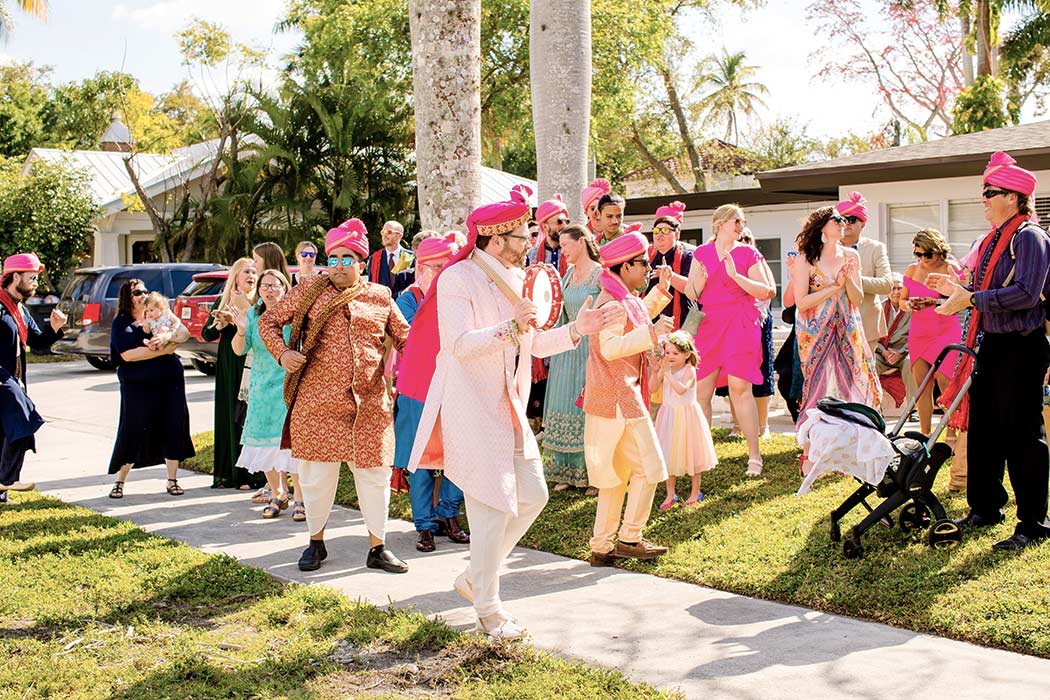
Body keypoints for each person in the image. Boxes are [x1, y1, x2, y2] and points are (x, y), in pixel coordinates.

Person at [401, 185, 620, 640]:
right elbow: (459, 345)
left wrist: (577, 329)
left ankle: (474, 578)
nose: (531, 243)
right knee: (490, 507)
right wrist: (510, 326)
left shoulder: (515, 278)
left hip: (508, 406)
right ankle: (490, 611)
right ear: (496, 239)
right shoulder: (458, 279)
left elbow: (533, 341)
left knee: (533, 495)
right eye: (524, 236)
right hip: (469, 405)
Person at [259, 218, 411, 572]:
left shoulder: (380, 296)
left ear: (361, 261)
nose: (340, 265)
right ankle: (316, 543)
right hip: (317, 404)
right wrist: (282, 353)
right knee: (316, 477)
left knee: (374, 476)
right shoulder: (309, 290)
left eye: (348, 258)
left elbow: (407, 340)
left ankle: (378, 547)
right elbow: (267, 322)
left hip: (370, 405)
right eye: (335, 258)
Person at [930, 150, 1050, 551]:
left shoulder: (1029, 236)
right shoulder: (993, 239)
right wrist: (954, 293)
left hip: (1022, 346)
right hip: (993, 343)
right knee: (982, 429)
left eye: (990, 191)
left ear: (1014, 197)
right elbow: (976, 291)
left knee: (1022, 435)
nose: (982, 198)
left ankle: (1033, 523)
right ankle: (986, 507)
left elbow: (1027, 293)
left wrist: (972, 300)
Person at [584, 227, 673, 567]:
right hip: (622, 399)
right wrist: (652, 334)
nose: (647, 269)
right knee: (650, 470)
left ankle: (603, 546)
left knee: (615, 477)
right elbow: (610, 348)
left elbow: (634, 313)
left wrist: (660, 293)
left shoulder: (619, 298)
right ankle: (630, 538)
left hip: (613, 399)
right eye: (642, 263)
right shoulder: (613, 303)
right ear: (624, 267)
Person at [392, 233, 470, 552]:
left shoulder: (460, 297)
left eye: (448, 266)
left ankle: (448, 515)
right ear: (422, 267)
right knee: (420, 459)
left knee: (461, 455)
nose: (443, 273)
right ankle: (424, 525)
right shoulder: (408, 299)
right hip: (418, 390)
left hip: (456, 387)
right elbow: (416, 339)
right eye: (437, 267)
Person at [684, 205, 775, 476]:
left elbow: (768, 290)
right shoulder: (701, 253)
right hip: (710, 325)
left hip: (740, 323)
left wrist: (737, 276)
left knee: (739, 388)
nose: (741, 226)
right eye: (736, 221)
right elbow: (692, 293)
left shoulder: (748, 253)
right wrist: (698, 281)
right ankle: (704, 454)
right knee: (702, 393)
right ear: (720, 223)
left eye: (743, 222)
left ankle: (754, 455)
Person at [791, 207, 881, 432]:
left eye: (845, 219)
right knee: (819, 382)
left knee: (850, 380)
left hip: (848, 326)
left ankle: (851, 433)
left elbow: (857, 298)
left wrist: (848, 279)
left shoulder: (851, 255)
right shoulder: (806, 258)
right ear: (822, 226)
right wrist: (834, 288)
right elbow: (801, 302)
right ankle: (814, 439)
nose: (843, 223)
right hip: (815, 330)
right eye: (837, 219)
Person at [107, 278, 195, 498]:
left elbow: (183, 334)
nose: (143, 296)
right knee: (132, 428)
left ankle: (172, 480)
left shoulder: (160, 314)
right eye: (137, 293)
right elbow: (128, 355)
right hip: (137, 386)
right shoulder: (123, 323)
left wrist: (167, 337)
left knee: (172, 425)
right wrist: (163, 350)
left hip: (169, 381)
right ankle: (120, 481)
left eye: (145, 291)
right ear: (127, 298)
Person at [231, 269, 302, 520]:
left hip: (288, 383)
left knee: (291, 443)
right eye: (265, 286)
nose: (270, 290)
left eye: (275, 285)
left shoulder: (294, 316)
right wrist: (240, 330)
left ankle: (301, 499)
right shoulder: (251, 315)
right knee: (265, 442)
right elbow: (239, 351)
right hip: (261, 386)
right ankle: (277, 493)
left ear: (285, 289)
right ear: (259, 292)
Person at [543, 224, 603, 495]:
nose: (562, 250)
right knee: (564, 405)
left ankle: (591, 474)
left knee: (585, 408)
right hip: (566, 349)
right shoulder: (566, 275)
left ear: (581, 243)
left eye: (566, 245)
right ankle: (565, 471)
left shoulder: (600, 275)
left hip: (590, 349)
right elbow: (561, 315)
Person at [0, 253, 64, 497]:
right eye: (32, 277)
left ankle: (2, 490)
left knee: (6, 432)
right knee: (25, 419)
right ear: (15, 276)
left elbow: (38, 342)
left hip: (15, 378)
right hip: (2, 378)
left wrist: (54, 328)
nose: (37, 283)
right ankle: (7, 478)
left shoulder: (20, 310)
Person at [201, 258, 259, 491]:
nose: (251, 275)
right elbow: (206, 335)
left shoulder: (256, 301)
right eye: (246, 271)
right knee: (230, 413)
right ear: (235, 275)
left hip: (252, 361)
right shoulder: (222, 301)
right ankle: (231, 473)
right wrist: (220, 324)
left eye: (254, 271)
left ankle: (252, 474)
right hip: (228, 363)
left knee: (248, 414)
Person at [899, 228, 963, 435]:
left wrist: (933, 301)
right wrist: (910, 305)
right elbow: (901, 301)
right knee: (922, 385)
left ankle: (951, 434)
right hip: (919, 333)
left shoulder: (950, 268)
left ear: (938, 251)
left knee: (946, 381)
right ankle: (925, 433)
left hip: (945, 331)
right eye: (918, 254)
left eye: (927, 254)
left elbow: (961, 301)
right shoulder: (911, 270)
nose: (922, 259)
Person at [715, 227, 777, 438]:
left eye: (745, 238)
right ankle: (738, 425)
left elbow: (769, 290)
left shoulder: (757, 260)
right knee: (733, 376)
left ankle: (763, 426)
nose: (741, 241)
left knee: (760, 375)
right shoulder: (723, 262)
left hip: (758, 323)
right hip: (729, 325)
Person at [654, 331, 716, 510]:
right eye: (668, 353)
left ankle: (695, 491)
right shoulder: (667, 370)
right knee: (668, 453)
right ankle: (670, 493)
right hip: (668, 415)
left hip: (687, 417)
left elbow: (681, 390)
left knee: (692, 453)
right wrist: (657, 372)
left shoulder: (689, 370)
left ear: (687, 354)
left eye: (675, 353)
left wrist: (668, 374)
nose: (670, 357)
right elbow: (652, 388)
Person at [837, 192, 893, 354]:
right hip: (832, 322)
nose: (846, 223)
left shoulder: (875, 248)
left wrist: (851, 279)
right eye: (842, 219)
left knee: (865, 376)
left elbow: (887, 285)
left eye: (852, 219)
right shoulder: (827, 249)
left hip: (865, 323)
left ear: (863, 223)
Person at [648, 201, 697, 332]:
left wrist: (670, 276)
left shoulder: (688, 256)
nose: (659, 234)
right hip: (652, 322)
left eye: (665, 230)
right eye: (656, 230)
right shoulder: (646, 256)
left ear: (677, 234)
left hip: (682, 321)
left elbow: (692, 289)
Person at [527, 194, 570, 274]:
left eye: (567, 221)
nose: (565, 226)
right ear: (545, 227)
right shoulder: (531, 255)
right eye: (559, 221)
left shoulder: (573, 251)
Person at [368, 220, 413, 296]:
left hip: (404, 303)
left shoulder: (411, 256)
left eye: (388, 232)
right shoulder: (375, 258)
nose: (384, 235)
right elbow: (370, 285)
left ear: (399, 236)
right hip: (382, 303)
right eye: (383, 232)